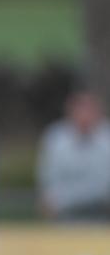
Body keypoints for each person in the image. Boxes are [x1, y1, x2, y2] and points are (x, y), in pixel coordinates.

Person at [37, 89, 110, 221]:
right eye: (80, 110)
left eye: (89, 110)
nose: (85, 115)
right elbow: (47, 176)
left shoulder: (107, 137)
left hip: (103, 210)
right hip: (65, 211)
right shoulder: (56, 138)